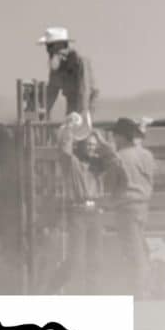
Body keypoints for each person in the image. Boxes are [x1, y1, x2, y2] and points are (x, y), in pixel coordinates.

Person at [55, 112, 115, 294]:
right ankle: (50, 290)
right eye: (88, 145)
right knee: (75, 259)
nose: (91, 148)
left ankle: (93, 295)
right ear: (80, 146)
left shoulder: (99, 164)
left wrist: (100, 139)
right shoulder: (73, 163)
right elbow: (64, 150)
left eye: (93, 146)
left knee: (96, 258)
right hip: (78, 212)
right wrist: (69, 129)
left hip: (95, 211)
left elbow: (113, 157)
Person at [103, 117, 155, 296]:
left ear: (121, 137)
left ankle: (139, 291)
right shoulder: (146, 155)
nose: (114, 139)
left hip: (125, 206)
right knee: (140, 246)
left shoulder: (118, 158)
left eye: (115, 135)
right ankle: (146, 287)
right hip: (143, 205)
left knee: (133, 250)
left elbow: (110, 184)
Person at [39, 27, 98, 117]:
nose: (48, 50)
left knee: (78, 125)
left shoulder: (80, 62)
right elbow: (51, 92)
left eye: (50, 46)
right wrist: (41, 113)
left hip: (87, 104)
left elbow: (84, 91)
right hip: (71, 102)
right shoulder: (57, 65)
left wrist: (82, 115)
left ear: (61, 45)